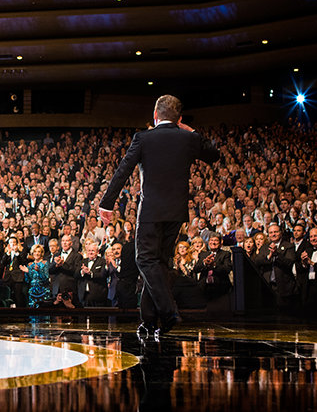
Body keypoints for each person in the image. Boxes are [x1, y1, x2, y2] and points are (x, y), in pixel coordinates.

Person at [99, 94, 220, 337]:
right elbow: (213, 155)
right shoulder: (188, 138)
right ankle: (149, 321)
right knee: (159, 264)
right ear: (179, 119)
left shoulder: (144, 138)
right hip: (176, 212)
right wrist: (191, 131)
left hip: (151, 211)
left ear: (155, 115)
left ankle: (168, 311)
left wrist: (107, 203)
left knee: (145, 260)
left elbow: (124, 169)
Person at [76, 242, 109, 307]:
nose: (90, 252)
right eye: (89, 251)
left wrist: (90, 273)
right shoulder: (82, 261)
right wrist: (82, 272)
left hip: (97, 295)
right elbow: (76, 274)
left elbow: (103, 275)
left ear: (97, 252)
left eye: (93, 251)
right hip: (83, 295)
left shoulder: (102, 261)